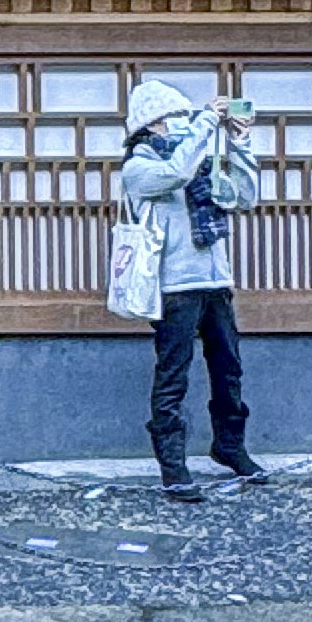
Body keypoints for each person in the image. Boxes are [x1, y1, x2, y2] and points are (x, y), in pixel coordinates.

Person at [119, 77, 271, 504]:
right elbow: (175, 173)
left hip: (215, 279)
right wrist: (206, 123)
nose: (183, 125)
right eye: (174, 118)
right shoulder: (138, 167)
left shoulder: (202, 155)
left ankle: (230, 446)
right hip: (173, 286)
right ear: (151, 126)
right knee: (173, 377)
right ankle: (172, 465)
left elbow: (245, 198)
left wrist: (239, 143)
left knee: (228, 371)